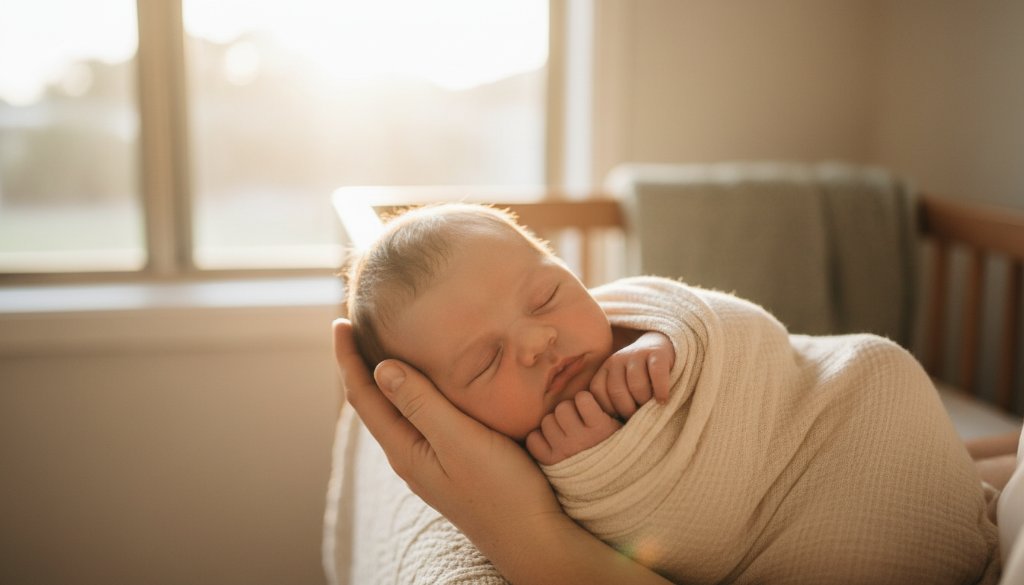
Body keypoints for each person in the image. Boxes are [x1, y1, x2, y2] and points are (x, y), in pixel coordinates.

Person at [338, 203, 1001, 584]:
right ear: (451, 416)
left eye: (546, 294)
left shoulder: (638, 319)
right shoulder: (523, 469)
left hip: (859, 401)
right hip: (831, 544)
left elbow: (748, 335)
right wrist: (600, 470)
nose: (537, 340)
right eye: (485, 362)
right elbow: (695, 539)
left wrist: (676, 344)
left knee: (879, 367)